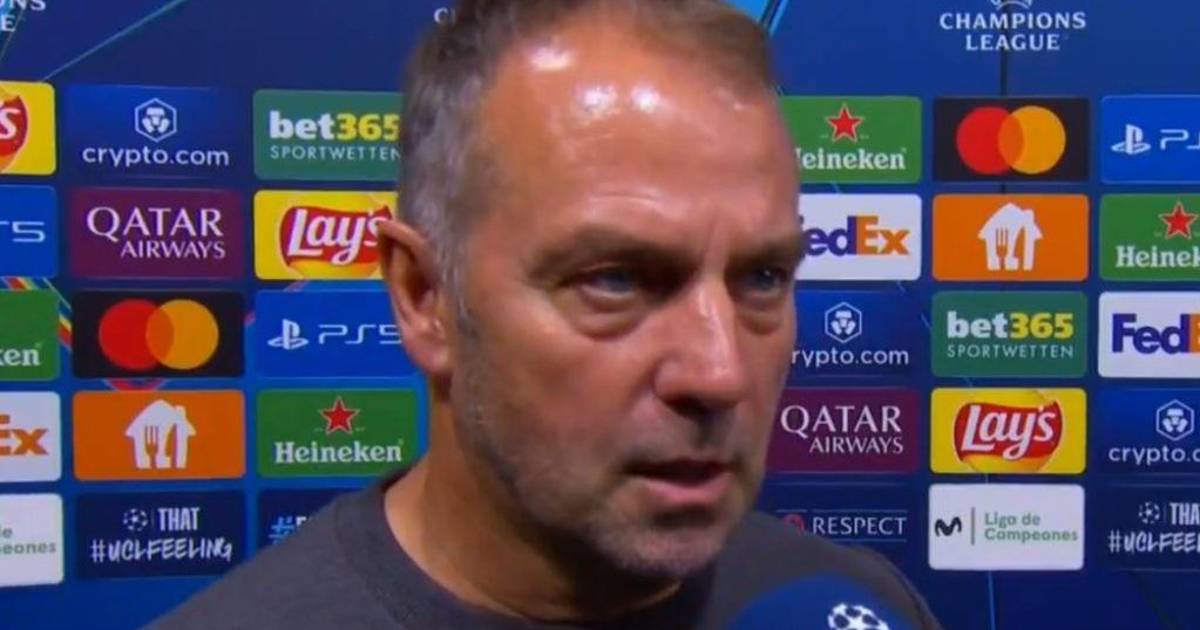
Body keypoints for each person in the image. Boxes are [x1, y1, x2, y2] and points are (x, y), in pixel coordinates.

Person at [149, 1, 941, 628]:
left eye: (762, 277)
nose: (719, 371)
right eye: (617, 280)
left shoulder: (858, 605)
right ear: (424, 297)